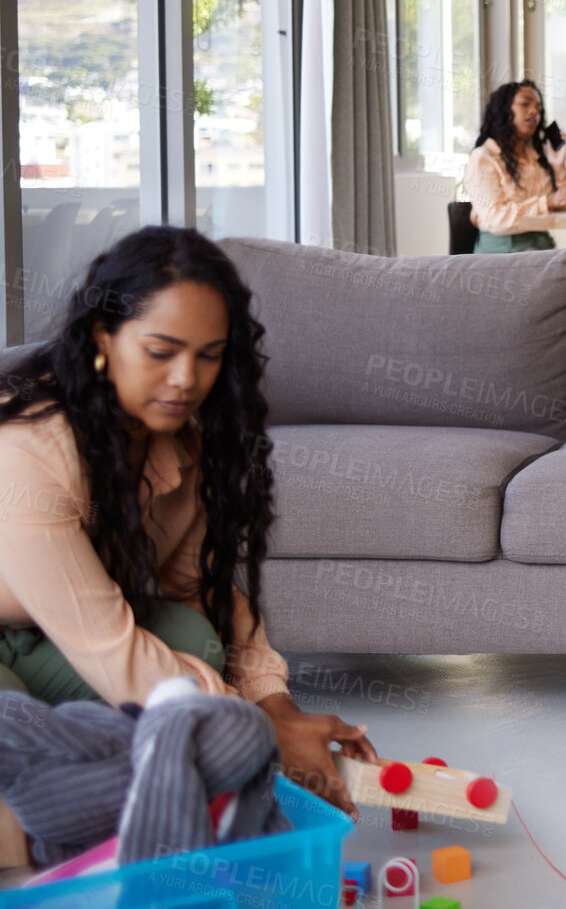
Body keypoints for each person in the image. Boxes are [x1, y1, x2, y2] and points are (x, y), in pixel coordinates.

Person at [0, 227, 378, 866]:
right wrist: (260, 737)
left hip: (51, 632)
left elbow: (190, 590)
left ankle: (123, 773)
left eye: (208, 355)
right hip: (34, 632)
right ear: (103, 338)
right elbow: (106, 646)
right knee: (11, 721)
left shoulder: (175, 440)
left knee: (194, 635)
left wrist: (273, 702)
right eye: (161, 351)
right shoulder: (30, 453)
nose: (185, 379)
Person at [464, 80, 566, 253]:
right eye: (525, 104)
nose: (534, 111)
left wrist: (558, 166)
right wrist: (546, 203)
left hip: (541, 247)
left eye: (538, 109)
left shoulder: (537, 159)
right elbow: (495, 219)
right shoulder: (483, 158)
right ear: (504, 110)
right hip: (503, 251)